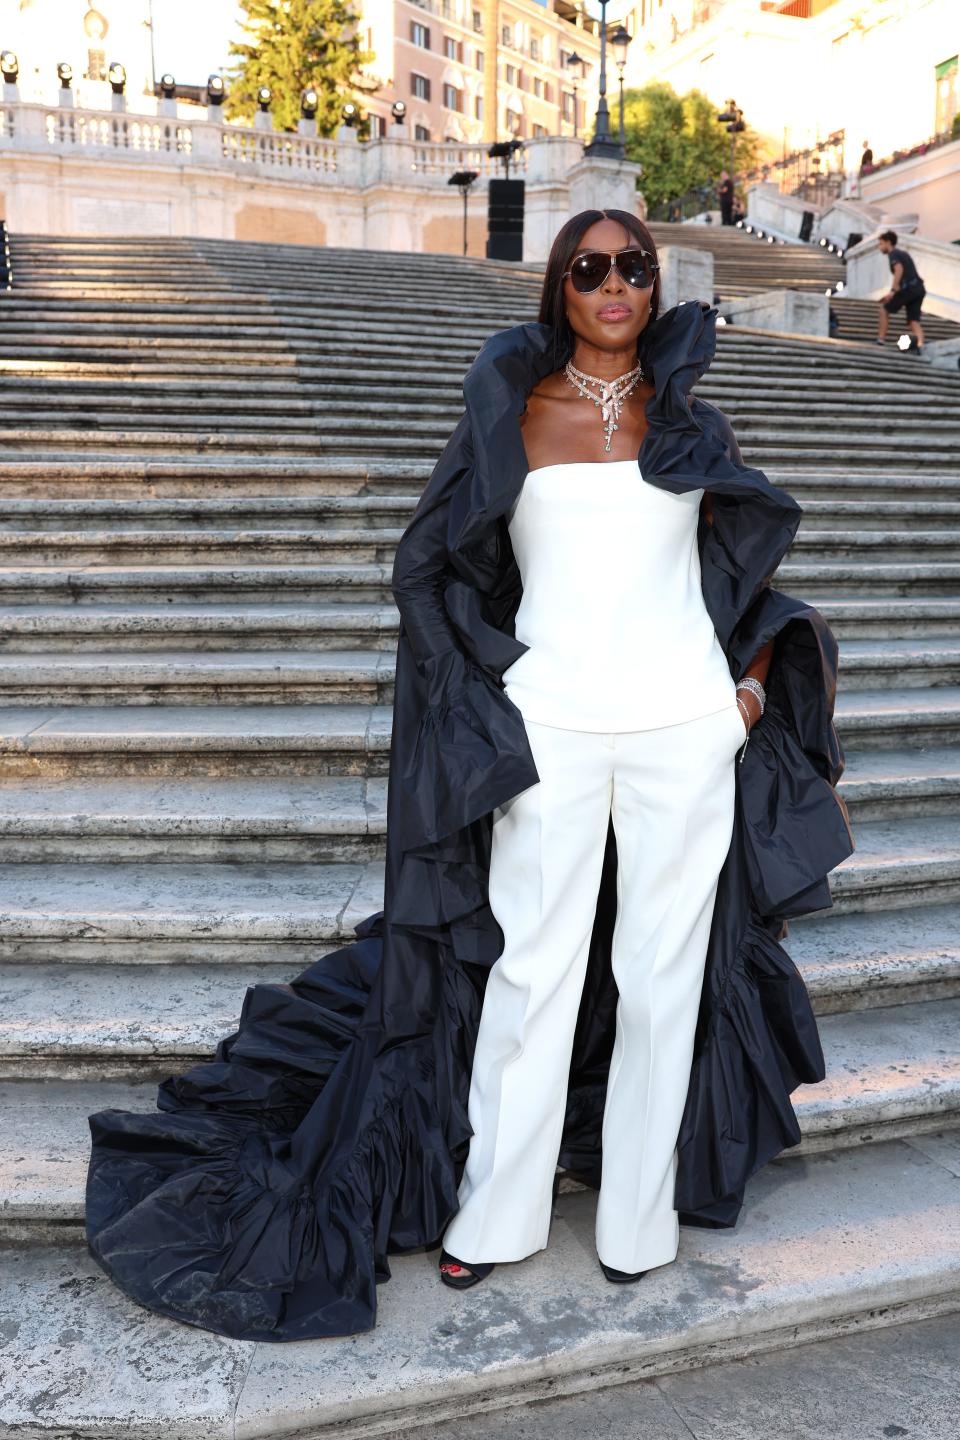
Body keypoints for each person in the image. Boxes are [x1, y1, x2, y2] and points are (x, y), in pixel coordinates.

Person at [84, 210, 854, 1341]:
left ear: (654, 285)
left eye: (633, 267)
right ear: (559, 286)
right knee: (533, 974)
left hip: (681, 729)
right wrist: (486, 694)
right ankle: (496, 1216)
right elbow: (435, 563)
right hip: (548, 729)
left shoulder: (688, 415)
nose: (613, 285)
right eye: (589, 268)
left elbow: (746, 560)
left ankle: (638, 1222)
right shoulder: (516, 407)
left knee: (662, 980)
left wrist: (741, 696)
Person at [875, 229, 925, 353]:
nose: (879, 247)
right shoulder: (904, 254)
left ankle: (881, 339)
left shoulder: (893, 254)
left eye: (881, 244)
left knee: (884, 309)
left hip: (909, 289)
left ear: (888, 242)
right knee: (913, 320)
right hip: (918, 289)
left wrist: (892, 291)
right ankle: (920, 345)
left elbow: (899, 269)